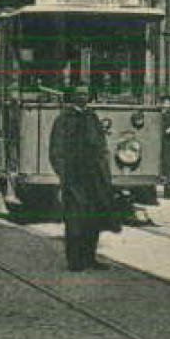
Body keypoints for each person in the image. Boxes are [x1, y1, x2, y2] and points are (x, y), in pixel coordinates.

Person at [48, 86, 121, 271]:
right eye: (79, 93)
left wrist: (105, 172)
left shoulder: (92, 117)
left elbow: (101, 146)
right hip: (75, 176)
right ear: (72, 96)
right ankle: (75, 261)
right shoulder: (64, 119)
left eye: (85, 93)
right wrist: (65, 174)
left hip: (94, 176)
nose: (83, 96)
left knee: (93, 219)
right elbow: (56, 151)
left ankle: (90, 258)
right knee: (75, 220)